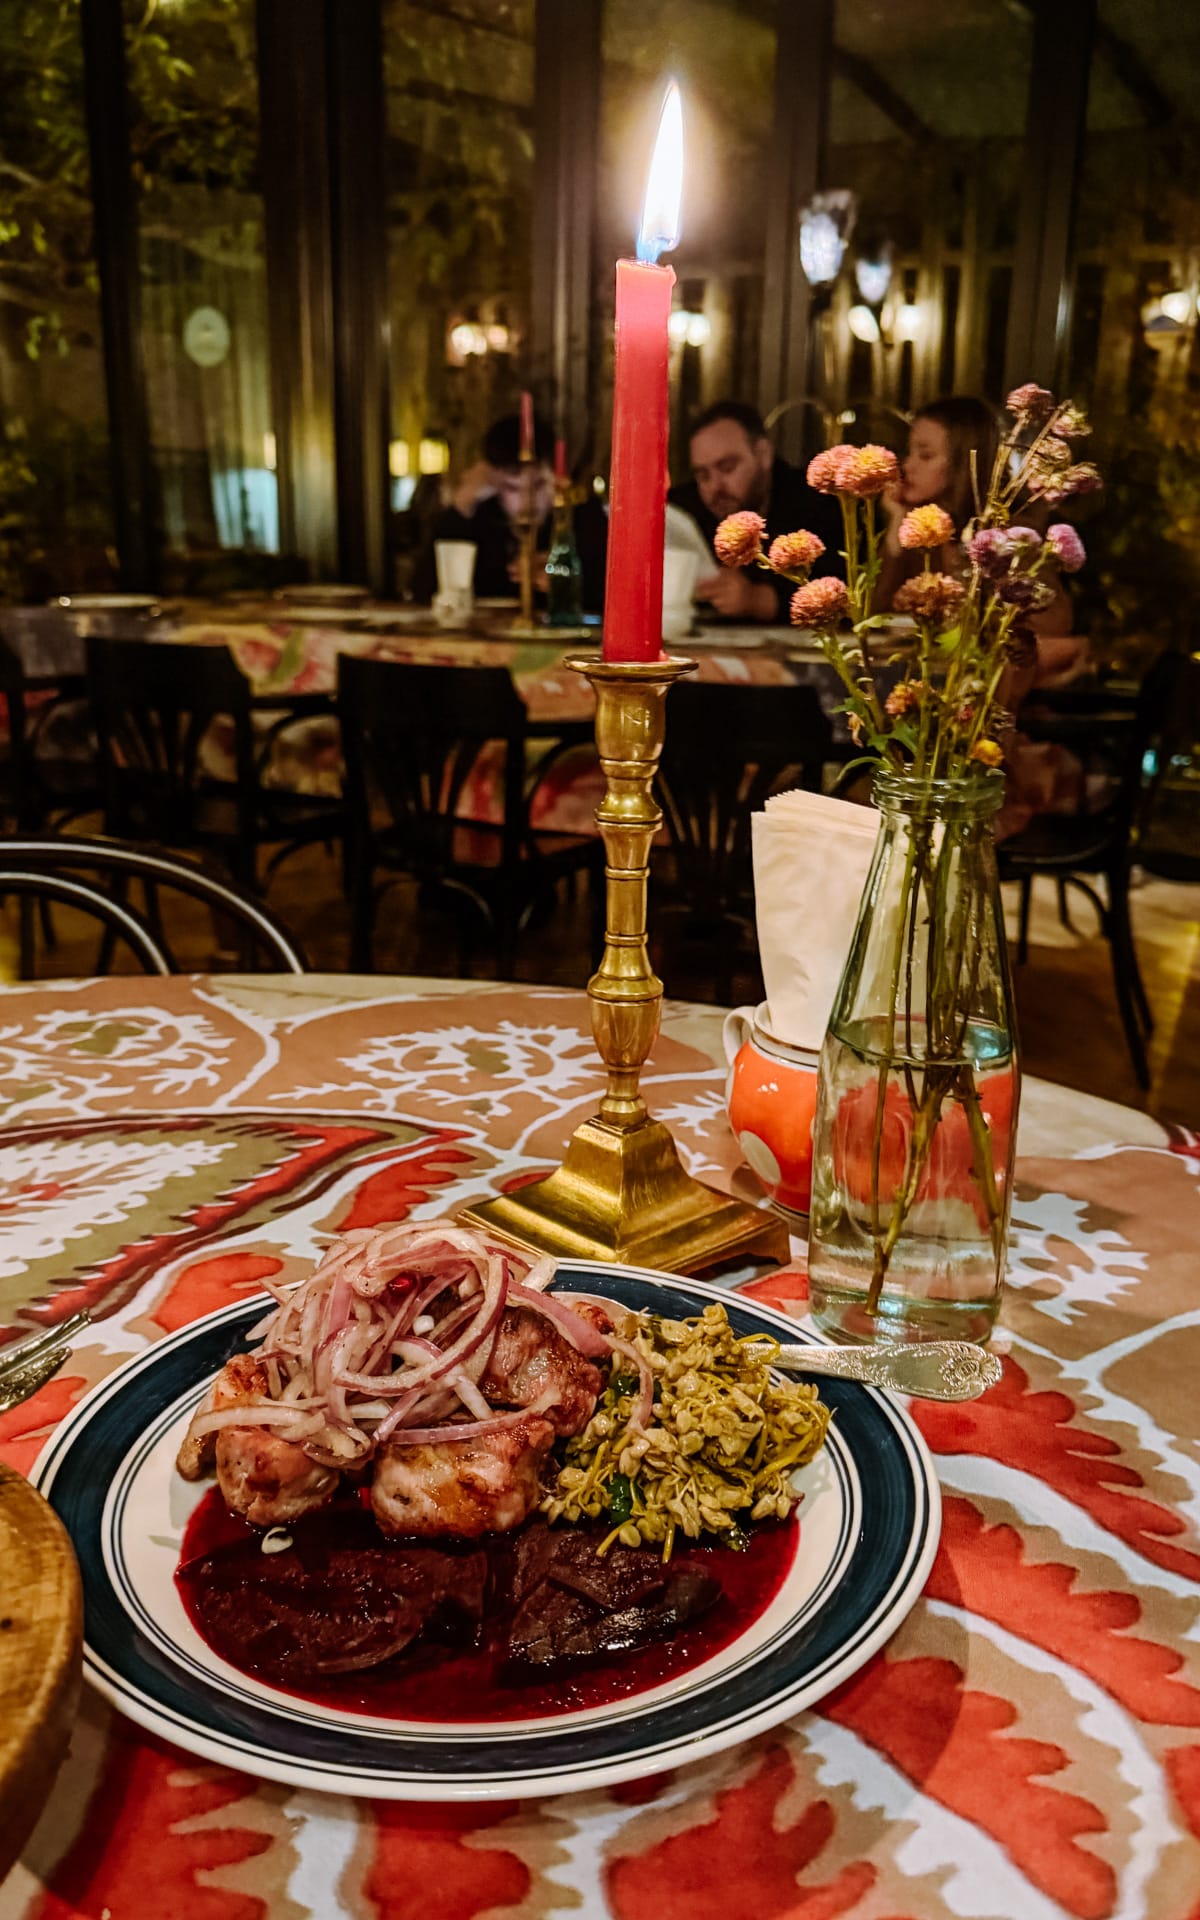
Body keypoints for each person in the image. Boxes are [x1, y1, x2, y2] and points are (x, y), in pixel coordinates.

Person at [669, 400, 844, 622]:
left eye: (727, 467)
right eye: (703, 475)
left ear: (763, 455)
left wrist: (759, 599)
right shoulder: (684, 507)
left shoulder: (817, 503)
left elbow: (846, 594)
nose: (715, 486)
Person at [413, 414, 607, 612]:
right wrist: (462, 505)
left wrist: (565, 581)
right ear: (494, 485)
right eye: (512, 488)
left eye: (539, 485)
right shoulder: (480, 520)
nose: (527, 501)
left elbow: (610, 594)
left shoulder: (583, 519)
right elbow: (422, 593)